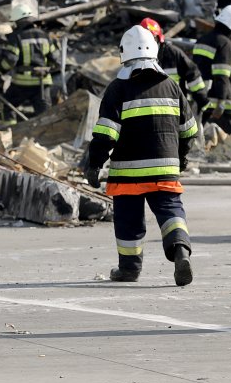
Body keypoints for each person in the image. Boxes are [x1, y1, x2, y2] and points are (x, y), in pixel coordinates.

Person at [85, 26, 199, 286]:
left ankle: (129, 269)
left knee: (129, 221)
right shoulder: (171, 86)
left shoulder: (118, 89)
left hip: (128, 172)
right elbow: (190, 130)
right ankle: (181, 252)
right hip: (165, 168)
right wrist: (181, 157)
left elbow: (106, 134)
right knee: (171, 212)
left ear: (124, 54)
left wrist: (94, 164)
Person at [191, 5, 231, 149]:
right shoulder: (225, 43)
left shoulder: (202, 40)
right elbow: (221, 75)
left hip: (200, 93)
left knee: (200, 126)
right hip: (217, 94)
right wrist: (222, 101)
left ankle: (206, 154)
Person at [0, 1, 57, 122]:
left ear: (17, 21)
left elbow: (10, 59)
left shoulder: (16, 37)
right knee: (44, 114)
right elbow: (56, 59)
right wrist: (46, 69)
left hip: (22, 83)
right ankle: (45, 138)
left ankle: (10, 132)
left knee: (7, 106)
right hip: (43, 82)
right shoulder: (45, 35)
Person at [139, 17, 209, 114]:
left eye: (152, 38)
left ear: (159, 38)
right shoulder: (136, 57)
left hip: (174, 109)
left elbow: (192, 74)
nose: (149, 43)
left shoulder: (173, 54)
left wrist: (202, 100)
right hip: (148, 111)